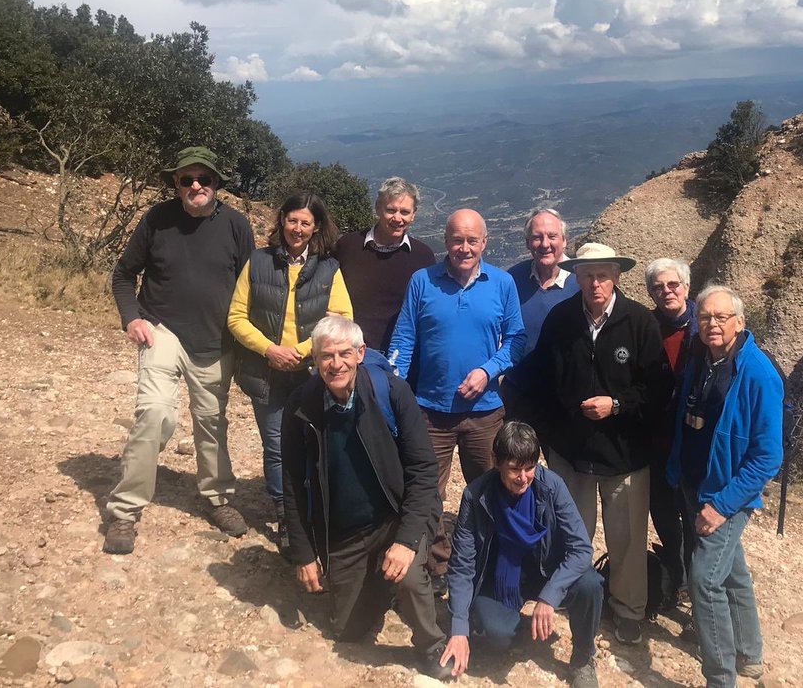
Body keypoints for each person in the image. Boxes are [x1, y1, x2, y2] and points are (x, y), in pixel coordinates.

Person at [281, 315, 453, 681]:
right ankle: (379, 582)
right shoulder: (301, 407)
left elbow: (424, 471)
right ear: (314, 360)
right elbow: (293, 483)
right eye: (326, 356)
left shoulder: (391, 392)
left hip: (394, 517)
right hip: (346, 530)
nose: (336, 364)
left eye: (345, 353)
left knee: (406, 576)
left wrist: (406, 541)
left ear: (361, 353)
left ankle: (431, 644)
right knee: (347, 632)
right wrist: (303, 552)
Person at [104, 146, 254, 554]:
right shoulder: (156, 220)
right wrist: (132, 317)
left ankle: (218, 497)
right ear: (175, 183)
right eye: (186, 179)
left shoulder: (238, 226)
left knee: (211, 424)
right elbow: (123, 273)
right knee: (154, 413)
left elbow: (251, 285)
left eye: (203, 178)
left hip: (216, 340)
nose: (195, 186)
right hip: (161, 331)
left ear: (216, 183)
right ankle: (125, 510)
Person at [527, 243, 667, 645]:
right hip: (571, 454)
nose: (595, 283)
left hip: (626, 454)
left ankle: (628, 610)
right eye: (587, 275)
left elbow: (658, 389)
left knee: (627, 539)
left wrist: (618, 405)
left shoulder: (639, 322)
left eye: (603, 274)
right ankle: (570, 594)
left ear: (617, 277)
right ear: (578, 278)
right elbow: (542, 380)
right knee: (573, 534)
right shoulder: (561, 319)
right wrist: (548, 438)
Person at [388, 208, 526, 592]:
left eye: (472, 240)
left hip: (485, 413)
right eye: (456, 240)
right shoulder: (422, 281)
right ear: (445, 241)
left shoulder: (501, 283)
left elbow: (517, 340)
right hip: (430, 412)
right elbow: (404, 340)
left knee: (493, 489)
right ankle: (438, 566)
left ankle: (492, 563)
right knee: (427, 492)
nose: (464, 248)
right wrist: (394, 390)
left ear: (485, 242)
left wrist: (487, 371)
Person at [667, 284, 783, 688]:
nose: (711, 324)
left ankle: (720, 678)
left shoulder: (759, 374)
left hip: (725, 495)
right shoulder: (703, 357)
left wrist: (721, 505)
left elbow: (768, 456)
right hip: (692, 481)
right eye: (704, 317)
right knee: (732, 571)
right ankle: (749, 656)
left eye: (720, 317)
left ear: (739, 322)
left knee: (703, 579)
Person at [227, 192, 353, 553]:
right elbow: (236, 317)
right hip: (265, 372)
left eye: (306, 223)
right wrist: (270, 350)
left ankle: (317, 510)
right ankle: (287, 515)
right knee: (276, 446)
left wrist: (299, 352)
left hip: (312, 373)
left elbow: (342, 318)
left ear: (316, 228)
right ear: (282, 220)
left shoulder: (329, 269)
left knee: (316, 444)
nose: (298, 228)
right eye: (292, 220)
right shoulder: (258, 261)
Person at [442, 422, 603, 688]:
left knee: (590, 584)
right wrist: (458, 629)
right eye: (515, 469)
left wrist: (550, 597)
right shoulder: (476, 495)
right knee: (496, 637)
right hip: (501, 577)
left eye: (530, 468)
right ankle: (521, 627)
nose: (523, 477)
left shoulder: (553, 487)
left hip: (546, 570)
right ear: (497, 462)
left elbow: (582, 548)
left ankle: (584, 659)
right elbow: (462, 565)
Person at [334, 176, 436, 353]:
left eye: (404, 212)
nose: (397, 218)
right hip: (351, 351)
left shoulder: (423, 256)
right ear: (378, 209)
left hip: (401, 356)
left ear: (413, 215)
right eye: (390, 210)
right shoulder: (348, 246)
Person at [645, 257, 696, 605]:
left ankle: (696, 585)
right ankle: (677, 575)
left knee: (694, 516)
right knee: (661, 509)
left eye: (673, 284)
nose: (667, 292)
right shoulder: (646, 326)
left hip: (693, 442)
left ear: (687, 287)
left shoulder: (706, 324)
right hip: (656, 439)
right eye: (658, 287)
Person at [503, 209, 579, 423]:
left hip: (565, 399)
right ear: (528, 243)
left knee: (561, 457)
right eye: (537, 237)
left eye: (552, 236)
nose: (545, 244)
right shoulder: (513, 279)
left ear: (564, 241)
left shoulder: (581, 281)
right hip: (520, 394)